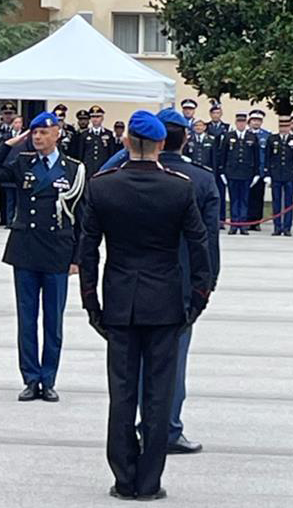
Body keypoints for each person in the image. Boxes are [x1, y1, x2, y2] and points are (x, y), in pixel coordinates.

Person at [79, 110, 212, 502]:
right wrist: (197, 302)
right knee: (157, 395)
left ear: (125, 143)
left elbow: (87, 253)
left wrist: (92, 305)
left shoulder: (103, 187)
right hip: (166, 303)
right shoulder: (179, 188)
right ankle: (149, 482)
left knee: (122, 395)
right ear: (160, 145)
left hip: (120, 301)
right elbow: (199, 251)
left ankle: (124, 478)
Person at [0, 112, 86, 403]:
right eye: (34, 132)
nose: (37, 137)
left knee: (53, 320)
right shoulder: (23, 162)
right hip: (26, 249)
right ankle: (30, 378)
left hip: (57, 251)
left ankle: (49, 379)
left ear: (58, 134)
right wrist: (8, 144)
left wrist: (77, 257)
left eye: (43, 132)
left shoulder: (74, 170)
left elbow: (82, 218)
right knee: (27, 319)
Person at [151, 110, 220, 455]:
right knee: (174, 361)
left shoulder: (127, 174)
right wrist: (208, 282)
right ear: (186, 139)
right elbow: (208, 238)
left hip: (136, 283)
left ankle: (143, 425)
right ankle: (168, 428)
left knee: (137, 361)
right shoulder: (202, 180)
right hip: (181, 284)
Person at [219, 112, 260, 235]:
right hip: (232, 172)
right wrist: (222, 172)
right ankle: (234, 224)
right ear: (236, 123)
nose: (241, 124)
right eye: (239, 122)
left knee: (244, 199)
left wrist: (256, 173)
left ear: (246, 124)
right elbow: (223, 155)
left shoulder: (252, 137)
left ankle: (243, 225)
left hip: (246, 173)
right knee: (233, 199)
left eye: (243, 122)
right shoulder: (228, 136)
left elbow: (256, 156)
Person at [264, 118, 293, 237]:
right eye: (282, 126)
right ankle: (277, 226)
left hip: (289, 175)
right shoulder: (272, 139)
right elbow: (268, 157)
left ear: (289, 127)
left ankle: (287, 227)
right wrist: (267, 174)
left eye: (286, 127)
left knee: (288, 202)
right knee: (276, 202)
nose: (284, 129)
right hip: (276, 174)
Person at [246, 110, 270, 231]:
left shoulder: (266, 135)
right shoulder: (244, 134)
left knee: (258, 197)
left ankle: (256, 221)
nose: (256, 122)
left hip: (260, 172)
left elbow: (268, 155)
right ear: (249, 122)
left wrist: (266, 171)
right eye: (254, 120)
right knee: (246, 197)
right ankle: (246, 220)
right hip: (247, 171)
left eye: (258, 121)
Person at [0, 102, 19, 226]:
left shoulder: (22, 135)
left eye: (10, 114)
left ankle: (12, 218)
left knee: (14, 197)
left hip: (15, 167)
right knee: (3, 195)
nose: (8, 116)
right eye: (6, 114)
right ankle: (3, 218)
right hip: (2, 166)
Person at [207, 101, 230, 226]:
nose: (216, 115)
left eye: (218, 112)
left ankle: (221, 218)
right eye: (214, 113)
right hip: (210, 163)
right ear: (210, 114)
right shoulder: (206, 127)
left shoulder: (226, 127)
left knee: (221, 192)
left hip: (222, 164)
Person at [78, 105, 115, 179]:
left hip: (103, 168)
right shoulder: (84, 134)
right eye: (93, 117)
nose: (95, 119)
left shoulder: (108, 134)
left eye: (98, 117)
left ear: (102, 118)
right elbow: (80, 153)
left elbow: (111, 152)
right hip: (88, 168)